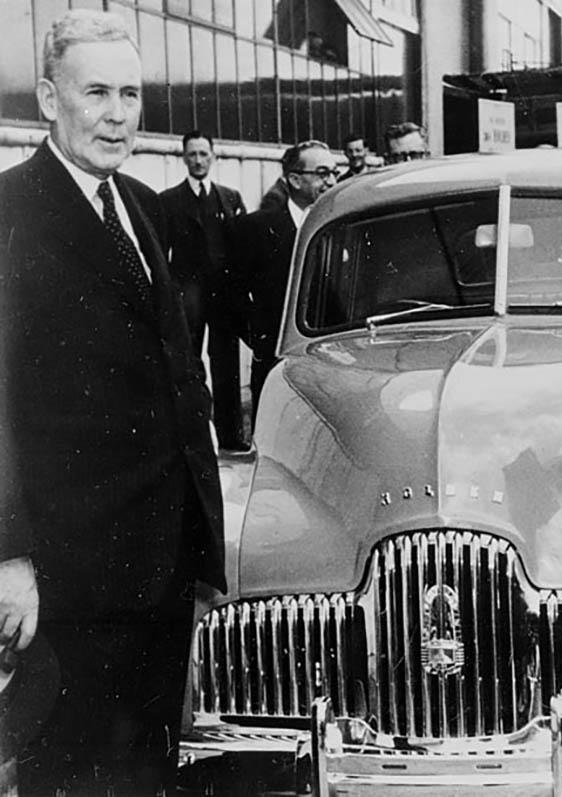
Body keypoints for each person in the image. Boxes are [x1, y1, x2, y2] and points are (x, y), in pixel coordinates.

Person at [0, 9, 225, 794]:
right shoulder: (11, 212)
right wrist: (9, 555)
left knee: (148, 772)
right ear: (46, 100)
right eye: (96, 92)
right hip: (68, 582)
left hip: (160, 569)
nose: (119, 113)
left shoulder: (142, 203)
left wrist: (202, 531)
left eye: (131, 93)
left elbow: (174, 374)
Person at [237, 140, 337, 427]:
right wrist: (261, 338)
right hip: (277, 364)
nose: (331, 181)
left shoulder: (343, 224)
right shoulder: (255, 229)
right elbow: (230, 296)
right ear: (294, 179)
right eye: (321, 173)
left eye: (333, 172)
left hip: (334, 364)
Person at [161, 130, 250, 452]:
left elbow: (241, 250)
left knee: (226, 365)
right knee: (189, 364)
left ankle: (231, 437)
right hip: (189, 297)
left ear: (213, 156)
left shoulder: (230, 197)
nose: (198, 160)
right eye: (192, 154)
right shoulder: (169, 201)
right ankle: (195, 434)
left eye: (203, 153)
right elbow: (161, 252)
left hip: (223, 297)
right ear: (184, 158)